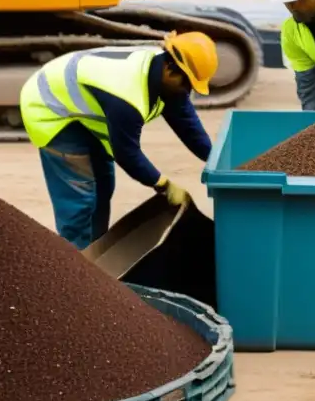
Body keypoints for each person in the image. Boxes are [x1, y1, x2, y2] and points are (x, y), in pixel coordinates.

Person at [19, 31, 218, 250]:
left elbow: (187, 124)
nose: (187, 92)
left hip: (84, 110)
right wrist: (164, 185)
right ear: (170, 69)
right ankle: (74, 268)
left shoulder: (162, 75)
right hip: (52, 108)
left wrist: (215, 158)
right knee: (80, 198)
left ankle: (95, 255)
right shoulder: (127, 96)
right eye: (188, 84)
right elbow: (127, 153)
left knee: (104, 187)